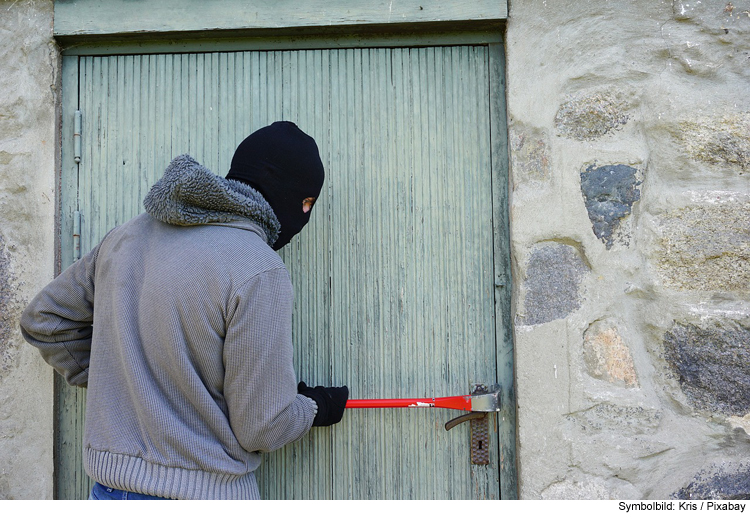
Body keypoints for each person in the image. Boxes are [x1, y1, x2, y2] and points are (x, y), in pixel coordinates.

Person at [20, 121, 348, 500]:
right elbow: (262, 426)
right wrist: (314, 407)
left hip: (108, 494)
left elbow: (45, 320)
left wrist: (127, 378)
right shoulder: (258, 267)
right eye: (306, 203)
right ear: (284, 192)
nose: (303, 215)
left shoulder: (126, 237)